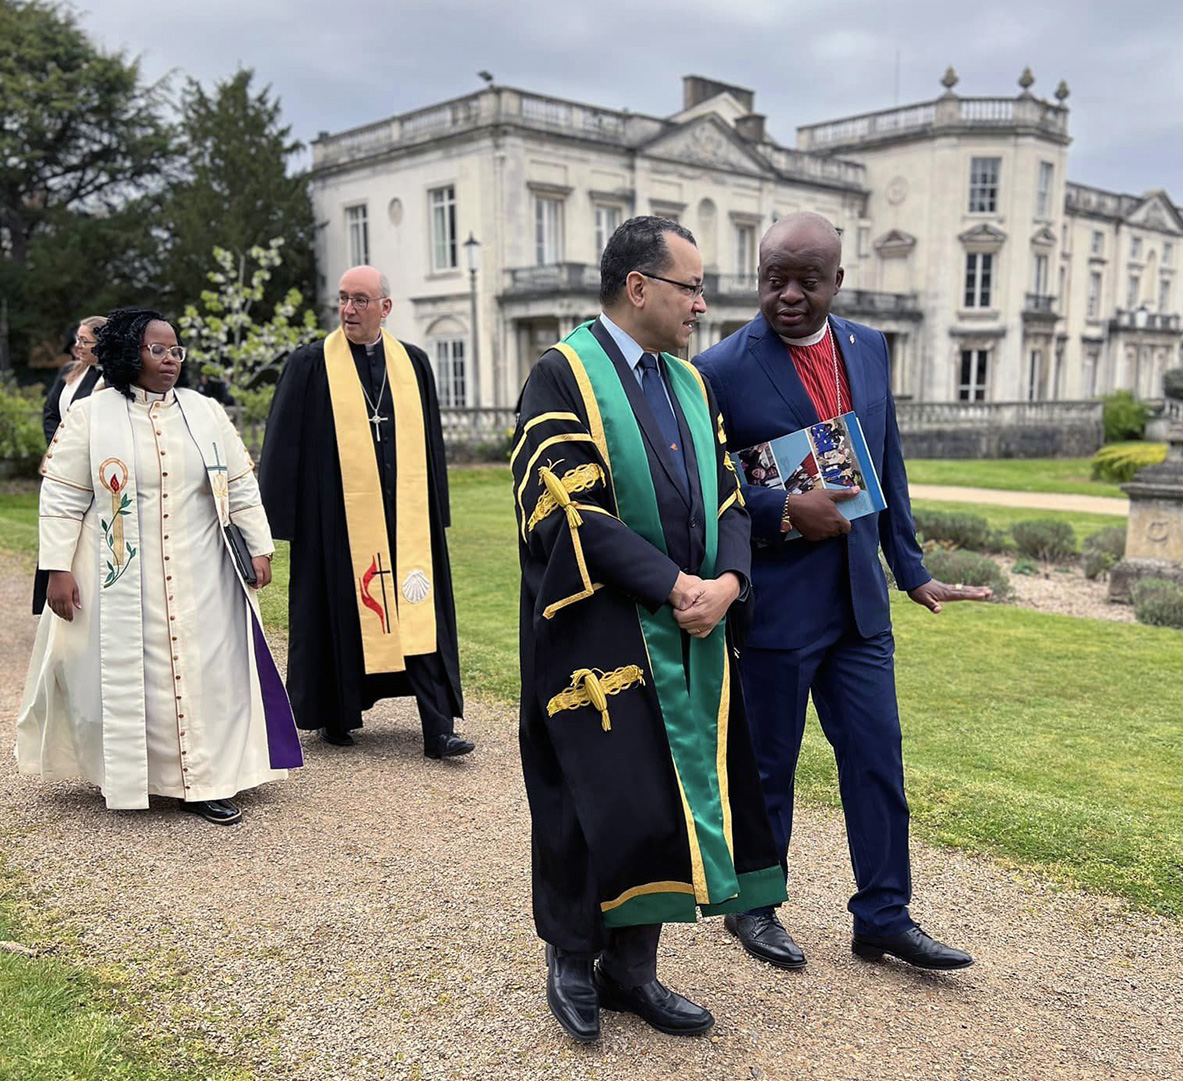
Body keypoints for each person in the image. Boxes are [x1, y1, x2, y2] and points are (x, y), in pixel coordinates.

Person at [512, 216, 786, 1043]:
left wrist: (728, 582)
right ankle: (570, 957)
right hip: (596, 631)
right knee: (587, 797)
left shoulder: (691, 383)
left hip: (693, 627)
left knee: (661, 801)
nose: (703, 302)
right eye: (690, 287)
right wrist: (673, 584)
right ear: (640, 287)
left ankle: (633, 969)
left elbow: (731, 494)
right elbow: (569, 508)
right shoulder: (563, 376)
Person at [695, 212, 989, 972]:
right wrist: (785, 510)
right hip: (778, 606)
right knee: (768, 767)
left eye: (807, 280)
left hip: (861, 605)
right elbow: (705, 488)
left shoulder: (868, 345)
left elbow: (886, 460)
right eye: (774, 278)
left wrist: (911, 567)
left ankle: (884, 916)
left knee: (876, 761)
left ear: (838, 281)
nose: (788, 295)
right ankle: (754, 904)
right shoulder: (720, 368)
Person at [17, 308, 302, 823]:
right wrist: (58, 568)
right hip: (121, 573)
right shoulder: (90, 416)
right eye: (158, 350)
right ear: (130, 353)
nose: (171, 360)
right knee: (135, 678)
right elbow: (61, 496)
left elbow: (239, 484)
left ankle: (208, 782)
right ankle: (135, 776)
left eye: (176, 351)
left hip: (205, 573)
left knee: (206, 676)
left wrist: (260, 547)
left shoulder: (205, 411)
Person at [258, 267, 472, 758]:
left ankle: (437, 727)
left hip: (407, 515)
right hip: (335, 517)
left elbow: (431, 444)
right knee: (340, 607)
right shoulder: (311, 364)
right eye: (343, 300)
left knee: (420, 608)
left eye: (360, 300)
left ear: (385, 308)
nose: (349, 310)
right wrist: (277, 525)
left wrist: (435, 508)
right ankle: (337, 712)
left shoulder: (413, 363)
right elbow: (283, 446)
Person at [34, 316, 107, 615]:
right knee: (56, 531)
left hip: (92, 469)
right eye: (77, 339)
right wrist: (61, 447)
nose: (77, 346)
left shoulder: (110, 380)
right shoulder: (69, 372)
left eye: (85, 341)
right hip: (61, 465)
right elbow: (51, 411)